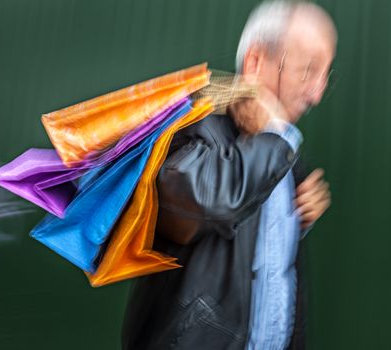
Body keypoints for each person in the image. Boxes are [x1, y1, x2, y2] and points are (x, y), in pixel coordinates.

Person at [122, 1, 337, 349]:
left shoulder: (284, 146)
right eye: (307, 71)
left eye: (325, 76)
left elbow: (269, 270)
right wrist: (273, 141)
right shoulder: (191, 123)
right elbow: (196, 208)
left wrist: (300, 216)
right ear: (255, 62)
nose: (317, 93)